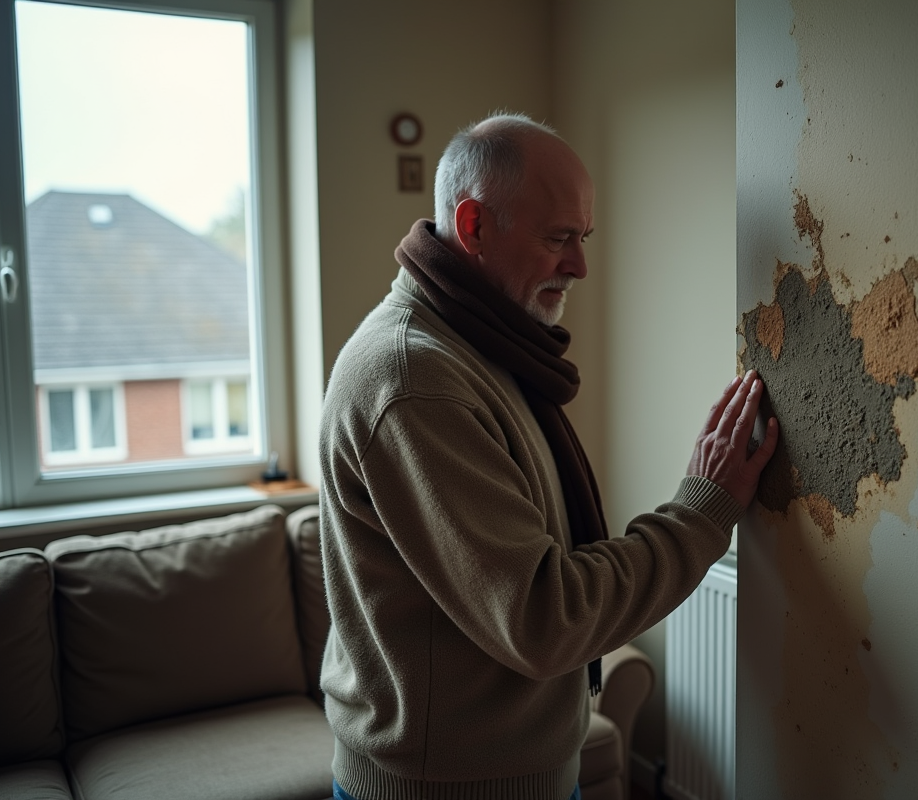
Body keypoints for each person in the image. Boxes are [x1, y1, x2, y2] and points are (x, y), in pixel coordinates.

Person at [318, 112, 778, 800]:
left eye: (583, 238)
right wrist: (701, 511)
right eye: (560, 238)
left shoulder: (480, 346)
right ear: (473, 226)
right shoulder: (417, 380)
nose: (581, 266)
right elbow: (542, 617)